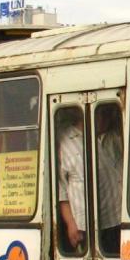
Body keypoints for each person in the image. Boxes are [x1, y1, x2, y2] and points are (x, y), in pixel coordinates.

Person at [57, 108, 87, 252]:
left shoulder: (113, 137)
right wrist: (70, 222)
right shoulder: (65, 141)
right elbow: (61, 189)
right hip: (83, 226)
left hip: (116, 218)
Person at [96, 104, 124, 255]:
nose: (105, 119)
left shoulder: (115, 137)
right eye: (102, 115)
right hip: (103, 215)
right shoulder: (79, 142)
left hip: (121, 211)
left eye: (107, 115)